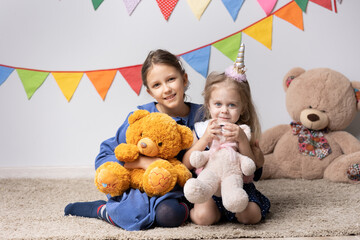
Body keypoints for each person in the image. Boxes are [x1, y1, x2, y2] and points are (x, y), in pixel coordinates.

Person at [64, 49, 202, 231]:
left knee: (172, 214)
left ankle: (183, 207)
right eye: (157, 85)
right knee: (136, 213)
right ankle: (102, 210)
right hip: (142, 186)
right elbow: (110, 154)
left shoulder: (202, 115)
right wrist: (145, 162)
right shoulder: (141, 118)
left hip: (183, 186)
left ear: (184, 79)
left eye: (171, 79)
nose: (166, 89)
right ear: (150, 92)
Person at [182, 44, 270, 226]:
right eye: (218, 104)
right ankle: (202, 211)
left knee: (252, 217)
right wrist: (206, 138)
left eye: (231, 105)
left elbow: (253, 165)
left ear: (242, 107)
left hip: (238, 186)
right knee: (203, 218)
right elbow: (187, 163)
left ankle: (235, 211)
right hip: (210, 188)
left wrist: (242, 140)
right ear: (208, 104)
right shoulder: (201, 128)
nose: (224, 111)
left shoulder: (244, 131)